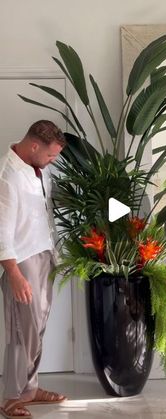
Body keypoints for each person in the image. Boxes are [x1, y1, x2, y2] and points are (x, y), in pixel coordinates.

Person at [0, 120, 67, 419]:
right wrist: (14, 274)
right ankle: (11, 397)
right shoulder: (7, 175)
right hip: (22, 261)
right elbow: (0, 230)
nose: (54, 160)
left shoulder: (41, 169)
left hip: (45, 256)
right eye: (52, 155)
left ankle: (30, 389)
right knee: (20, 331)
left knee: (36, 329)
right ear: (35, 145)